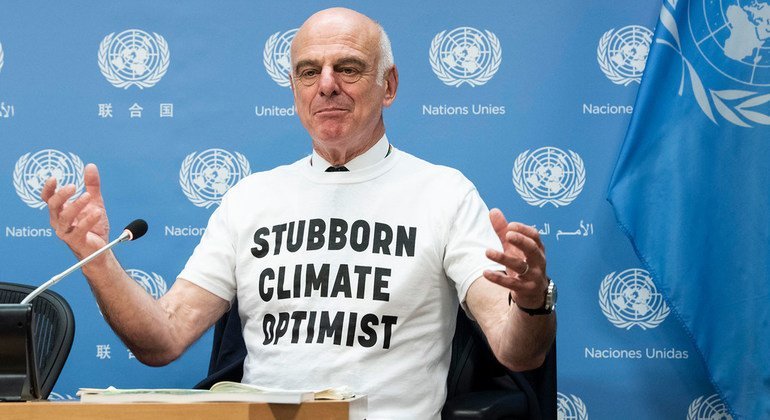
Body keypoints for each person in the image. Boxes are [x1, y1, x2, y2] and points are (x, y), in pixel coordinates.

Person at [41, 7, 555, 419]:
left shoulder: (443, 192)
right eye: (309, 72)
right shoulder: (251, 197)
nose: (326, 84)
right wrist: (98, 261)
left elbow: (516, 351)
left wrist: (532, 303)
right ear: (294, 90)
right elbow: (164, 339)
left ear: (389, 85)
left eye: (348, 68)